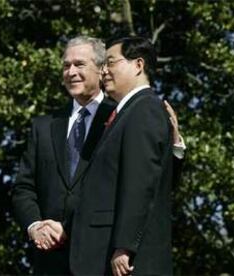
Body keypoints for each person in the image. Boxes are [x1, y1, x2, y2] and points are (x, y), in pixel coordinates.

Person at [12, 35, 184, 275]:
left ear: (100, 69)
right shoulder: (44, 126)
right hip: (50, 260)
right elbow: (23, 187)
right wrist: (35, 226)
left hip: (102, 257)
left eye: (80, 64)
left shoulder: (126, 115)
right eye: (66, 65)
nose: (71, 72)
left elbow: (148, 182)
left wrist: (173, 146)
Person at [69, 36, 174, 275]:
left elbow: (140, 181)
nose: (103, 71)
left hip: (124, 262)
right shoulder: (126, 112)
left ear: (138, 65)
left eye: (111, 62)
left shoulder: (144, 109)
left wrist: (125, 245)